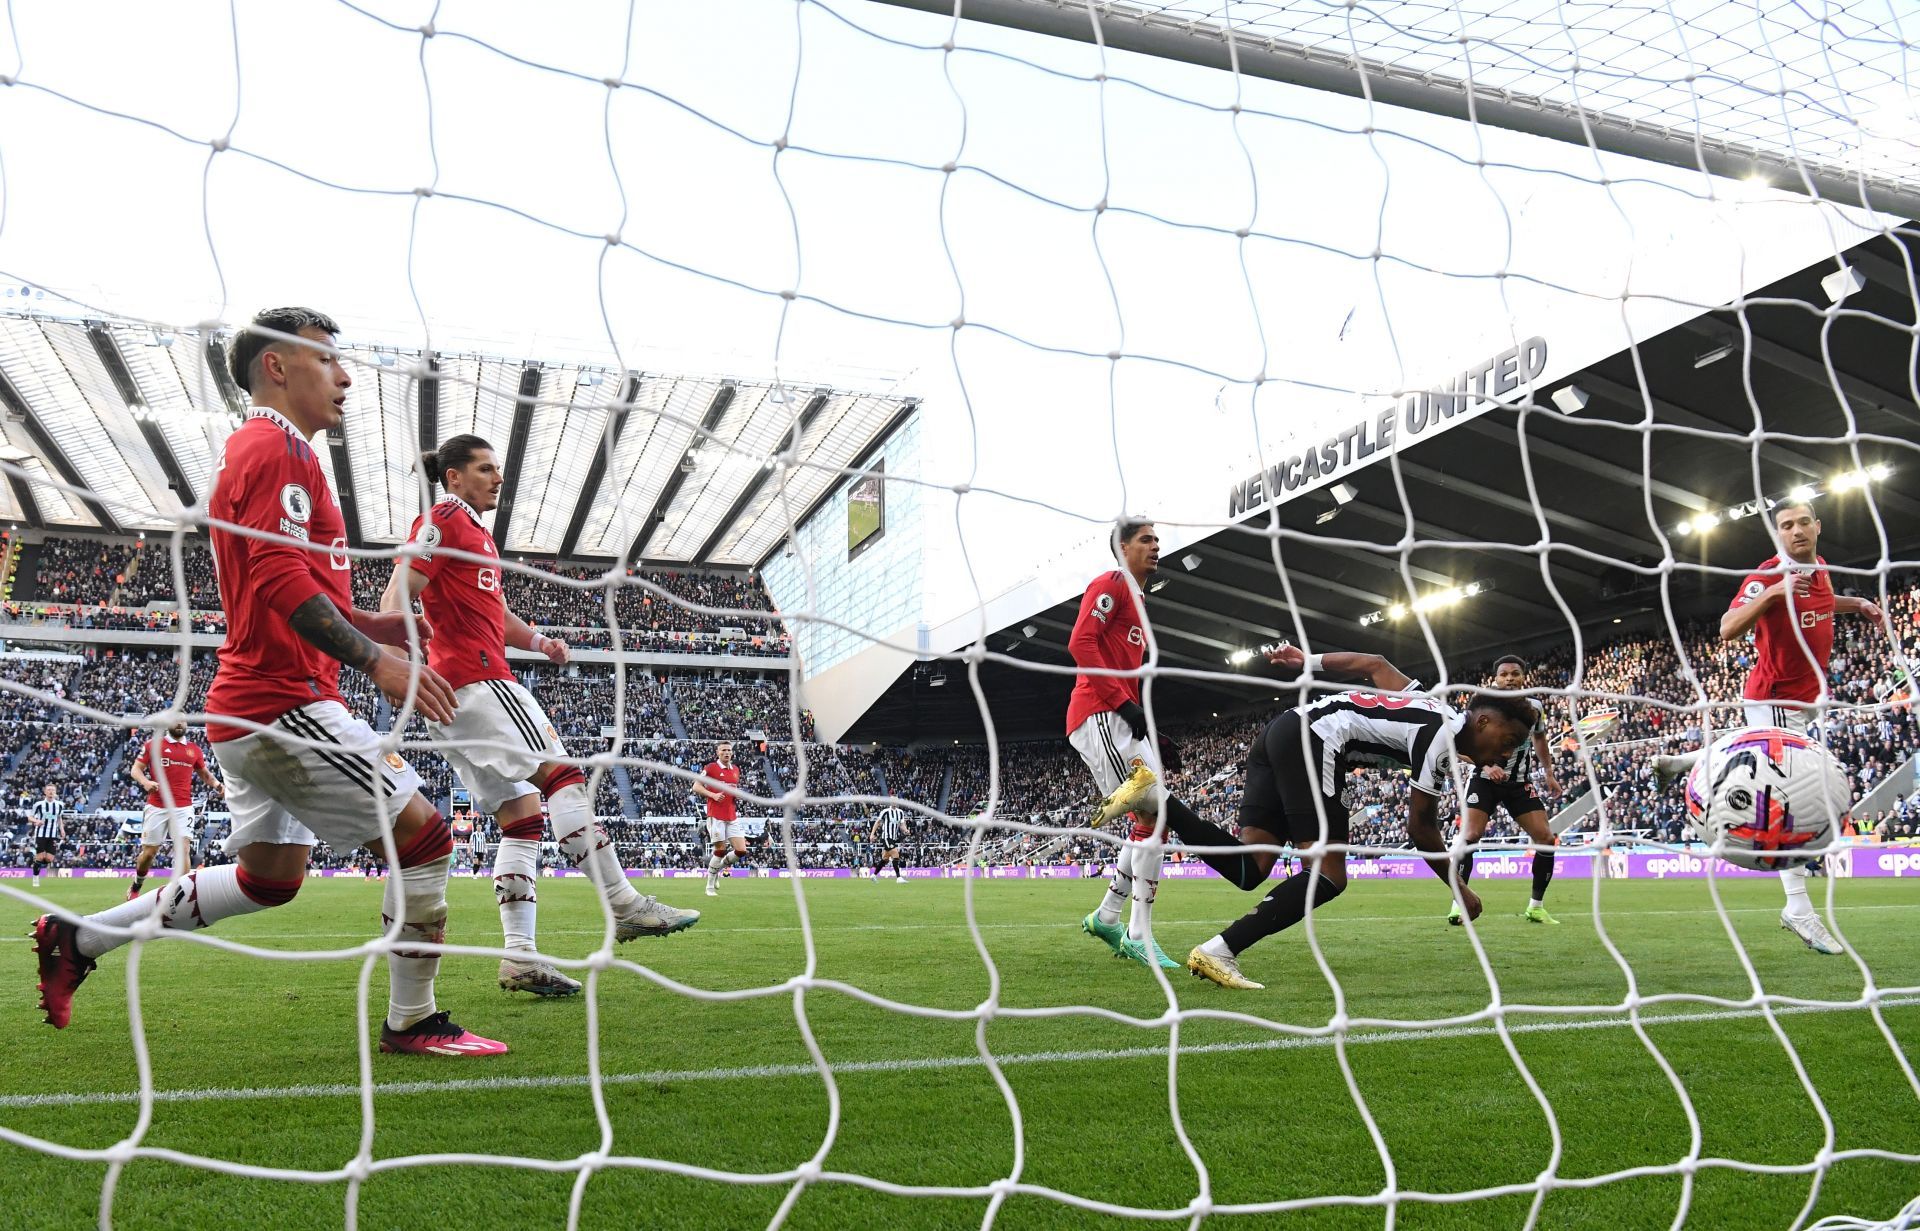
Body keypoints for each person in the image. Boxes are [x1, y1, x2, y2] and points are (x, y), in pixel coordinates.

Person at [32, 307, 504, 1056]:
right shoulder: (274, 446)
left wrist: (386, 630)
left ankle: (79, 936)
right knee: (426, 837)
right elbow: (278, 577)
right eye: (327, 359)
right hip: (282, 703)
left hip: (250, 706)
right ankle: (412, 1018)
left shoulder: (274, 453)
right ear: (277, 368)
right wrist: (373, 659)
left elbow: (301, 585)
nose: (345, 375)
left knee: (268, 880)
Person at [383, 433, 699, 995]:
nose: (497, 478)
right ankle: (624, 904)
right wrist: (398, 661)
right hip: (478, 683)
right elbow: (395, 595)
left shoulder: (476, 534)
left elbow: (494, 614)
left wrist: (539, 640)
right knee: (564, 776)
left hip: (464, 692)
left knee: (522, 816)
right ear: (454, 476)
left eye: (497, 469)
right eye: (484, 469)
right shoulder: (442, 519)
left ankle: (520, 957)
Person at [1093, 646, 1536, 990]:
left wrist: (1310, 660)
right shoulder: (1442, 741)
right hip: (1316, 741)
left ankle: (1155, 798)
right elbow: (1420, 828)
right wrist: (1459, 888)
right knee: (1330, 875)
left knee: (1252, 868)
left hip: (1283, 729)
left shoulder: (1433, 705)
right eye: (1509, 739)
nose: (1508, 751)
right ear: (1481, 722)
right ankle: (1220, 950)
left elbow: (1375, 664)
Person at [1652, 499, 1885, 955]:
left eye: (1802, 522)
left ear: (1817, 527)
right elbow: (1727, 628)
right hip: (1777, 697)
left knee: (1780, 774)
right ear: (1777, 535)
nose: (1796, 531)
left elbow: (1817, 602)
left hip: (1804, 699)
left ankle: (1682, 762)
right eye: (1786, 526)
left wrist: (1854, 604)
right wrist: (1771, 595)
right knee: (1793, 797)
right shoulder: (1768, 575)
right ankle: (1797, 907)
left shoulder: (1818, 566)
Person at [1069, 519, 1177, 970]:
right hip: (1099, 714)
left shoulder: (1138, 598)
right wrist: (1123, 707)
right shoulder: (1112, 582)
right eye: (1146, 539)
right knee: (1155, 811)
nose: (1156, 546)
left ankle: (1110, 916)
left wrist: (1146, 725)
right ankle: (1137, 932)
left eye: (1156, 539)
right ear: (1123, 546)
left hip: (1118, 717)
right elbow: (1081, 642)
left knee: (1152, 817)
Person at [1449, 655, 1563, 926]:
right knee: (1471, 836)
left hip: (1519, 783)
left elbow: (1540, 738)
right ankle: (1459, 904)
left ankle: (1536, 907)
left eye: (1515, 674)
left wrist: (1548, 773)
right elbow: (1458, 744)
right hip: (1483, 779)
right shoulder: (1481, 705)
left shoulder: (1534, 706)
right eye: (1504, 674)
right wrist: (1486, 765)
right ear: (1495, 679)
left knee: (1546, 839)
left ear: (1524, 677)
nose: (1509, 678)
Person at [126, 721, 225, 899]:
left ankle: (182, 895)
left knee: (184, 849)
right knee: (149, 854)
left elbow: (204, 774)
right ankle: (136, 885)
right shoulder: (153, 745)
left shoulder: (194, 749)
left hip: (183, 806)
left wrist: (219, 787)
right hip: (157, 806)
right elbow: (135, 769)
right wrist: (146, 782)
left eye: (183, 720)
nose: (179, 723)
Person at [693, 741, 744, 897]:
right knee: (720, 850)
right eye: (723, 750)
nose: (727, 753)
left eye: (729, 750)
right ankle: (709, 887)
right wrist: (713, 795)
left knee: (741, 850)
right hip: (716, 815)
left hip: (731, 815)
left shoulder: (736, 770)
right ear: (718, 752)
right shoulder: (711, 768)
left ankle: (716, 871)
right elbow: (696, 786)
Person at [28, 784, 65, 890]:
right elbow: (30, 817)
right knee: (40, 856)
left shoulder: (59, 805)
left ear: (55, 792)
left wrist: (62, 829)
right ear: (45, 792)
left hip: (53, 835)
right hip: (41, 835)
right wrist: (37, 821)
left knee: (49, 858)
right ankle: (35, 877)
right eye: (49, 790)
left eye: (53, 790)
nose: (51, 792)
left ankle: (36, 863)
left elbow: (59, 818)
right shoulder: (39, 804)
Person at [869, 805, 909, 883]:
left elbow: (902, 824)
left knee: (885, 859)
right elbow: (877, 822)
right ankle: (899, 878)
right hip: (886, 837)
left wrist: (906, 830)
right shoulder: (885, 811)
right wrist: (872, 834)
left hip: (894, 838)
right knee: (895, 855)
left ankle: (873, 875)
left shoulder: (900, 812)